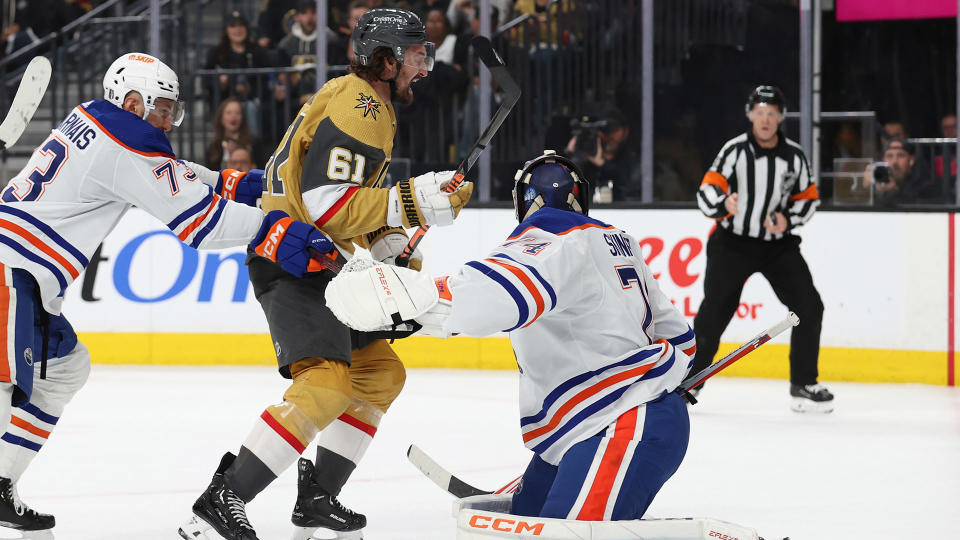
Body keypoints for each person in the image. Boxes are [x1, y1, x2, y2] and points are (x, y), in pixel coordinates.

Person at [0, 52, 333, 537]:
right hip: (11, 274)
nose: (169, 120)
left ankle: (1, 481)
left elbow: (165, 174)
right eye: (162, 108)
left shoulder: (96, 119)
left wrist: (226, 182)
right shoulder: (129, 141)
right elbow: (197, 222)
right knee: (6, 387)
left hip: (26, 279)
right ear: (133, 102)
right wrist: (275, 231)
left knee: (66, 368)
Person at [180, 9, 473, 540]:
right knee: (327, 384)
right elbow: (327, 206)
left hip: (323, 260)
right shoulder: (361, 107)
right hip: (293, 259)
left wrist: (395, 244)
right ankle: (222, 500)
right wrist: (412, 200)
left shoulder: (367, 103)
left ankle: (317, 496)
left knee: (380, 375)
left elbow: (352, 206)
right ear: (385, 60)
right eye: (414, 55)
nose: (424, 66)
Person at [325, 150, 697, 523]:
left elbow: (490, 296)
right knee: (522, 524)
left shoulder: (552, 237)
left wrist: (403, 300)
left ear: (524, 201)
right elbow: (681, 339)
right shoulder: (619, 241)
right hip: (592, 427)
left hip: (619, 426)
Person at [693, 85, 831, 413]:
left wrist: (788, 220)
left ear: (781, 117)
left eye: (772, 113)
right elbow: (707, 190)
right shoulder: (734, 151)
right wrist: (724, 202)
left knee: (810, 308)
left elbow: (808, 198)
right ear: (750, 115)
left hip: (777, 246)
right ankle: (690, 382)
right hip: (732, 244)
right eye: (760, 113)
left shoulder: (794, 156)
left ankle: (803, 383)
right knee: (713, 313)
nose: (765, 120)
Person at [862, 137, 940, 206]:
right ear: (883, 160)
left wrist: (894, 194)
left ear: (911, 160)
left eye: (900, 156)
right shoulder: (877, 183)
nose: (894, 162)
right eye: (889, 156)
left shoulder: (926, 186)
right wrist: (866, 191)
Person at [206, 97, 268, 170]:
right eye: (229, 113)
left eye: (238, 113)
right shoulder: (214, 146)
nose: (233, 116)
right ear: (221, 118)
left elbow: (261, 170)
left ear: (242, 118)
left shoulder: (254, 143)